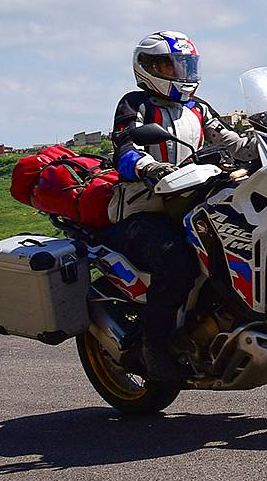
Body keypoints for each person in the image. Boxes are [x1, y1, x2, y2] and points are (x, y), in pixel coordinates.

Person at [101, 30, 253, 383]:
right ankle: (155, 350)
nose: (180, 74)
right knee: (177, 260)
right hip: (143, 211)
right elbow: (124, 149)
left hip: (192, 204)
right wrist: (149, 166)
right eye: (171, 66)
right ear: (148, 68)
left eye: (185, 65)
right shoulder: (135, 105)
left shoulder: (198, 108)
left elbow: (232, 140)